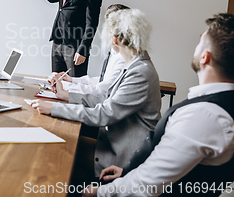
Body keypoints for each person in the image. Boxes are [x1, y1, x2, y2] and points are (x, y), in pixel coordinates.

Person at [83, 13, 234, 197]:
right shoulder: (215, 106)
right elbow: (171, 165)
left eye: (201, 40)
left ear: (205, 57)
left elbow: (146, 184)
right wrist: (128, 170)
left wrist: (99, 193)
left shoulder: (205, 115)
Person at [31, 9, 161, 177]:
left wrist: (54, 108)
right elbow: (106, 98)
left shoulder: (140, 73)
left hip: (122, 156)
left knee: (57, 153)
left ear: (114, 39)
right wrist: (66, 96)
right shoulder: (135, 64)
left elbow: (104, 114)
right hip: (114, 142)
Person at [27, 0, 103, 77]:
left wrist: (83, 50)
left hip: (75, 46)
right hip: (57, 42)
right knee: (56, 83)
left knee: (74, 87)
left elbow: (92, 23)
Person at [49, 4, 129, 96]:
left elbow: (103, 89)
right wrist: (71, 80)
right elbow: (102, 80)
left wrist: (66, 86)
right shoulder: (114, 52)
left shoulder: (124, 58)